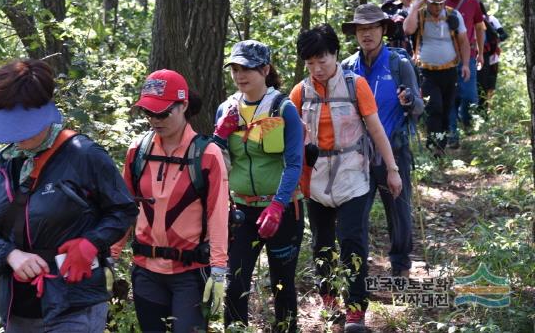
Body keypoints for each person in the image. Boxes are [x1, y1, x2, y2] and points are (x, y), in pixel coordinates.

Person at [0, 59, 138, 332]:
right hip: (17, 307)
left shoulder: (84, 155)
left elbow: (123, 210)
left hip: (75, 304)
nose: (16, 134)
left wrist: (91, 243)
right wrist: (10, 255)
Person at [290, 25, 402, 333]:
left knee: (353, 242)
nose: (317, 68)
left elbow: (376, 129)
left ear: (335, 54)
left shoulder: (356, 85)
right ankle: (329, 301)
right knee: (322, 245)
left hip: (353, 175)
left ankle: (355, 310)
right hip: (314, 181)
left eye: (322, 60)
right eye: (310, 63)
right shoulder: (300, 92)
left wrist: (392, 169)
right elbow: (290, 138)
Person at [115, 69, 230, 332]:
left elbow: (218, 215)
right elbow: (124, 208)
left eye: (163, 112)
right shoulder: (138, 151)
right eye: (149, 112)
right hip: (146, 270)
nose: (155, 120)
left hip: (190, 272)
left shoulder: (207, 154)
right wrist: (110, 255)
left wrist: (219, 269)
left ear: (184, 106)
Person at [213, 40, 304, 332]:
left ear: (265, 69)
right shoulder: (226, 109)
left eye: (248, 68)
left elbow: (294, 164)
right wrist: (219, 136)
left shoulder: (283, 108)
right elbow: (214, 163)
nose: (240, 75)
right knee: (235, 281)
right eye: (235, 69)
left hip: (283, 211)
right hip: (241, 210)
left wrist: (278, 204)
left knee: (281, 283)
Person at [341, 4, 424, 279]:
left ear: (383, 30)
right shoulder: (346, 67)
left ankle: (400, 266)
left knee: (399, 211)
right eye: (361, 29)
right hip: (356, 155)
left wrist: (409, 101)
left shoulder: (399, 64)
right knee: (355, 215)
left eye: (372, 28)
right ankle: (356, 269)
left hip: (394, 151)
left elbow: (419, 107)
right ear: (355, 33)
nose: (367, 34)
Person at [403, 0, 471, 156]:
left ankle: (440, 142)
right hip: (426, 72)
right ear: (427, 1)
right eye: (434, 3)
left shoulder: (453, 15)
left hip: (449, 71)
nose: (438, 6)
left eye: (442, 2)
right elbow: (408, 29)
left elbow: (463, 41)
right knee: (435, 107)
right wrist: (415, 7)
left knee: (447, 109)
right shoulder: (419, 15)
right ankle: (435, 145)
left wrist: (465, 64)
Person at [442, 0, 485, 148]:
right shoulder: (439, 3)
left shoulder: (472, 2)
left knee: (469, 96)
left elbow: (479, 28)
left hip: (469, 56)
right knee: (449, 97)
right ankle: (453, 135)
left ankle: (465, 118)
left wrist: (481, 53)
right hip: (445, 59)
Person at [477, 2, 509, 115]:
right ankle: (483, 111)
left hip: (489, 58)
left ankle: (485, 111)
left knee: (486, 85)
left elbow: (504, 35)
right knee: (485, 85)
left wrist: (493, 42)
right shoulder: (488, 19)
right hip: (486, 58)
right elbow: (504, 35)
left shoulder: (490, 19)